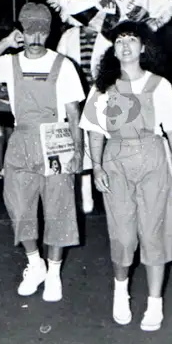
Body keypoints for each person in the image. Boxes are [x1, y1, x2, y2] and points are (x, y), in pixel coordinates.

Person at [0, 3, 85, 303]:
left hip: (56, 138)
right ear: (21, 31)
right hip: (22, 137)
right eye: (29, 30)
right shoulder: (9, 62)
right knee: (19, 206)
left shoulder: (64, 64)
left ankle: (54, 273)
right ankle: (35, 263)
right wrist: (4, 43)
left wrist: (77, 151)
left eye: (41, 31)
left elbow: (74, 113)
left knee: (58, 209)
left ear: (49, 33)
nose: (35, 36)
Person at [80, 22, 172, 331]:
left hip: (154, 157)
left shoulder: (159, 85)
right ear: (114, 48)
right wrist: (97, 166)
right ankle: (121, 292)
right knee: (123, 234)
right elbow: (95, 131)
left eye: (132, 39)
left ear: (143, 47)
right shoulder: (104, 86)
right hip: (116, 161)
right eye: (120, 40)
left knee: (155, 233)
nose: (125, 45)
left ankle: (155, 303)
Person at [57, 22, 113, 214]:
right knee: (79, 143)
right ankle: (85, 194)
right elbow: (59, 63)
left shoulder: (108, 34)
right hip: (75, 97)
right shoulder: (69, 35)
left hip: (99, 94)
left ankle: (101, 187)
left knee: (97, 142)